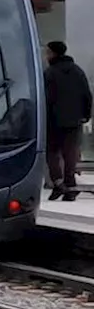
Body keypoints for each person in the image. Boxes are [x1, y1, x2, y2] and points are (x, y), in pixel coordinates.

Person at [43, 40, 92, 201]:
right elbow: (87, 94)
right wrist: (86, 114)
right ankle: (70, 186)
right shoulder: (77, 71)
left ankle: (58, 183)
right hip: (74, 120)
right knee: (70, 154)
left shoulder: (49, 73)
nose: (46, 56)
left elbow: (46, 98)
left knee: (52, 153)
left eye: (47, 52)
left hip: (53, 120)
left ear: (53, 54)